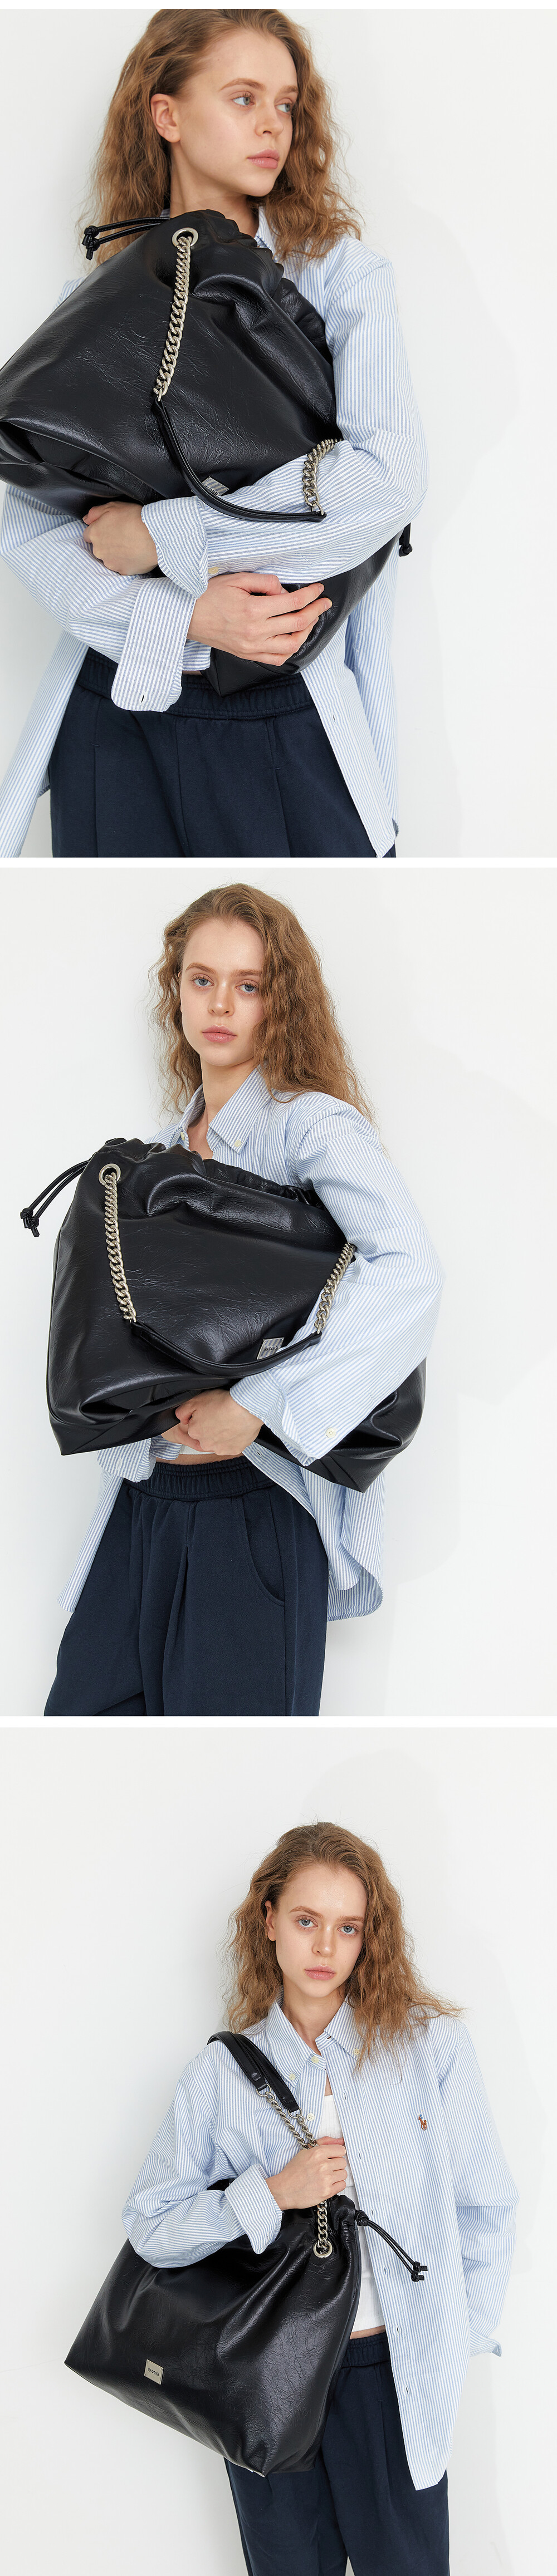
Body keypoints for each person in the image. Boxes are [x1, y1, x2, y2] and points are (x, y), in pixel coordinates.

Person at [0, 8, 427, 859]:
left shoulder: (339, 278)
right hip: (117, 710)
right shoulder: (95, 300)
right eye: (243, 98)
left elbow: (386, 482)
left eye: (286, 104)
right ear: (167, 115)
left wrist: (162, 535)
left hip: (286, 701)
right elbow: (30, 527)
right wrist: (186, 614)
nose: (274, 125)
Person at [44, 882, 443, 1718]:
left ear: (279, 1000)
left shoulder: (312, 1126)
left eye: (249, 984)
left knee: (226, 1752)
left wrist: (259, 1406)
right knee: (82, 1735)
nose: (220, 1004)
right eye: (201, 979)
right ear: (177, 991)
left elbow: (410, 1270)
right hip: (141, 1504)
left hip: (254, 1510)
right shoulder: (160, 1152)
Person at [123, 1819, 518, 2576]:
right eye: (307, 1921)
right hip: (267, 2374)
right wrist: (272, 2193)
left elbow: (486, 2206)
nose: (326, 1947)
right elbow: (150, 2226)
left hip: (395, 2373)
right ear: (269, 1919)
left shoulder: (427, 2048)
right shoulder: (220, 2077)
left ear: (370, 1937)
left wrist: (454, 2342)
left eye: (348, 1927)